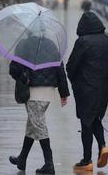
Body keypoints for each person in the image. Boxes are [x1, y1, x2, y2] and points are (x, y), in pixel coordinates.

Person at [9, 34, 70, 175]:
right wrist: (63, 92)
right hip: (48, 92)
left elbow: (13, 70)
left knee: (39, 125)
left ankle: (49, 164)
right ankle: (22, 159)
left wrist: (22, 74)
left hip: (33, 92)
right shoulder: (52, 45)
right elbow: (60, 69)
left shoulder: (23, 45)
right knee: (33, 124)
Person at [66, 11, 108, 172]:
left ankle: (87, 161)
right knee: (95, 118)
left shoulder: (83, 42)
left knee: (86, 122)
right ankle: (102, 147)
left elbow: (71, 66)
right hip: (104, 88)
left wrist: (74, 81)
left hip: (86, 88)